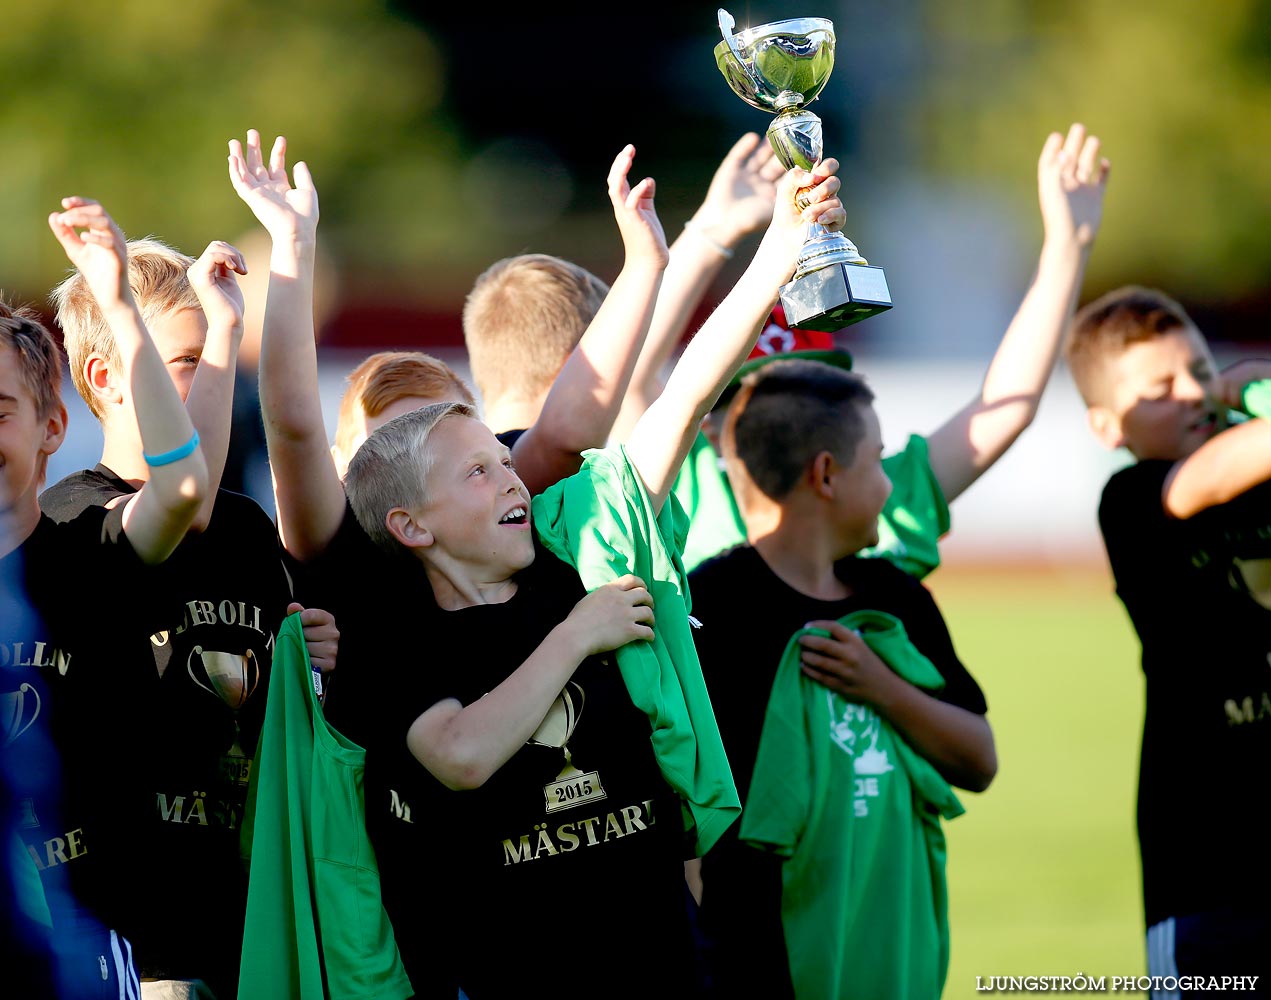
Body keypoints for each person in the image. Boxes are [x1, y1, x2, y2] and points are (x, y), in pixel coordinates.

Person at [337, 156, 844, 999]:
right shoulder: (398, 630)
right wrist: (578, 635)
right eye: (474, 473)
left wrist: (777, 254)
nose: (507, 479)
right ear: (410, 525)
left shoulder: (577, 553)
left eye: (503, 466)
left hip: (662, 959)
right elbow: (459, 756)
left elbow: (680, 395)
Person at [620, 124, 1110, 576]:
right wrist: (712, 232)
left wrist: (1067, 249)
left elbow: (1006, 407)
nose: (793, 416)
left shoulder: (877, 497)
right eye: (754, 401)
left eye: (813, 394)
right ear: (709, 424)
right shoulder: (684, 491)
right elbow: (635, 374)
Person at [38, 204, 310, 999]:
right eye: (181, 362)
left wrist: (308, 650)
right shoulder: (76, 519)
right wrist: (121, 304)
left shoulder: (246, 530)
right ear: (105, 379)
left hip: (257, 913)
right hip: (147, 935)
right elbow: (179, 499)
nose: (213, 377)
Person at [686, 359, 996, 999]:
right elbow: (684, 807)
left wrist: (883, 690)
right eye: (879, 462)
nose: (889, 485)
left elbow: (979, 761)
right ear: (826, 474)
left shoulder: (895, 597)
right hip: (762, 962)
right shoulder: (714, 606)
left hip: (890, 951)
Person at [3, 199, 211, 994]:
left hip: (97, 942)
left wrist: (121, 304)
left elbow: (184, 486)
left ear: (54, 425)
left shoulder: (91, 549)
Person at [1063, 286, 1271, 987]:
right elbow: (1207, 478)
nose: (1190, 395)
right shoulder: (1130, 501)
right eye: (1159, 388)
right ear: (1106, 426)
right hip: (1206, 870)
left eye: (1201, 372)